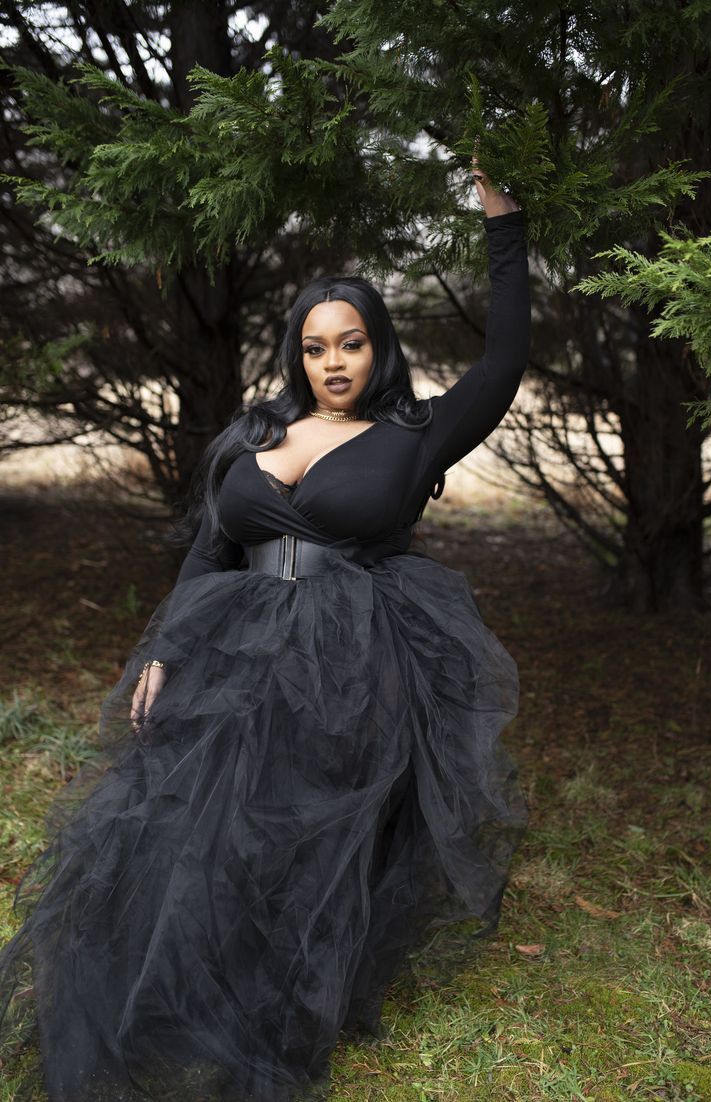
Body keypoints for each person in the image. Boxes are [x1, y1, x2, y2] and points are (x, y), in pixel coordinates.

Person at [0, 160, 531, 1102]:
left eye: (353, 345)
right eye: (317, 347)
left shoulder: (418, 434)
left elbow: (503, 362)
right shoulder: (255, 435)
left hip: (348, 650)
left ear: (379, 351)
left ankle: (281, 992)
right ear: (297, 355)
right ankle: (190, 971)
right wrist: (163, 651)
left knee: (303, 830)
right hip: (230, 640)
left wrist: (504, 227)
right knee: (196, 822)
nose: (333, 363)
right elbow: (211, 550)